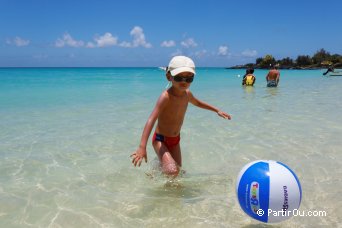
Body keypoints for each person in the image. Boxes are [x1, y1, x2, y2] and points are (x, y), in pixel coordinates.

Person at [131, 56, 231, 178]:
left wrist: (217, 110)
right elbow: (151, 119)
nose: (184, 81)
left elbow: (198, 103)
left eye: (189, 78)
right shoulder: (166, 97)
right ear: (169, 76)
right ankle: (164, 190)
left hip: (175, 140)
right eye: (179, 77)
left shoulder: (187, 94)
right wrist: (142, 147)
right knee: (173, 171)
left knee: (177, 171)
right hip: (160, 140)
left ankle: (156, 170)